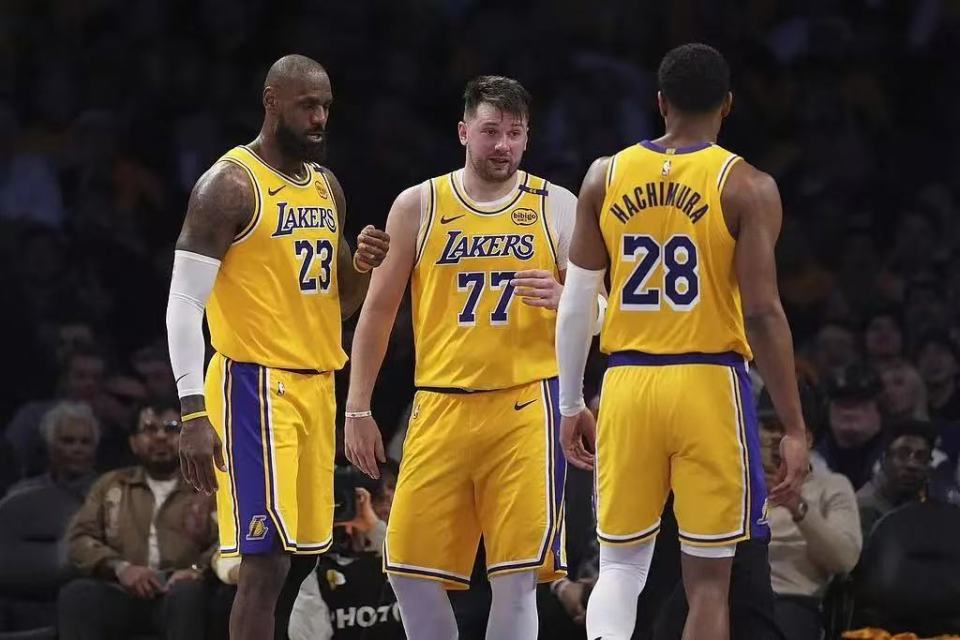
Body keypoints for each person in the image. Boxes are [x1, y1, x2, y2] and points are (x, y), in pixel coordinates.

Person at [555, 43, 808, 640]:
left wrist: (570, 402)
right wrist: (795, 427)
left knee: (619, 569)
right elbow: (763, 313)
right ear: (728, 105)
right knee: (709, 586)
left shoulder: (603, 175)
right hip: (708, 382)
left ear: (660, 102)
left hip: (627, 382)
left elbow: (576, 302)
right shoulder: (747, 185)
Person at [344, 75, 583, 640]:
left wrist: (570, 300)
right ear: (463, 132)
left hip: (526, 405)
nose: (503, 145)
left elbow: (599, 308)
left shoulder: (557, 204)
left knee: (516, 576)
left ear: (527, 138)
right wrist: (357, 407)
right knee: (406, 568)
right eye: (491, 131)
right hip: (440, 404)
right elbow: (377, 312)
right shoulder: (419, 204)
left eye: (515, 133)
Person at [166, 54, 390, 640]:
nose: (319, 119)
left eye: (326, 108)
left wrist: (362, 267)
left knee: (304, 558)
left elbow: (338, 304)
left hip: (317, 385)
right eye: (307, 105)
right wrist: (192, 412)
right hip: (254, 386)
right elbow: (183, 303)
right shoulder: (229, 186)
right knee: (263, 564)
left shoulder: (325, 186)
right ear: (271, 101)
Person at [58, 401, 218, 640]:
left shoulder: (207, 486)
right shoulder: (110, 485)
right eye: (150, 429)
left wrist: (197, 570)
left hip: (182, 591)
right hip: (123, 590)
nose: (161, 437)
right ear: (133, 442)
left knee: (188, 594)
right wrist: (120, 568)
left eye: (172, 428)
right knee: (78, 594)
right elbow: (79, 539)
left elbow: (227, 541)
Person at [758, 385, 862, 640]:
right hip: (730, 597)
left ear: (808, 440)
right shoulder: (735, 485)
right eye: (769, 427)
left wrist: (797, 507)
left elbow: (845, 560)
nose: (777, 438)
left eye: (786, 429)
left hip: (791, 601)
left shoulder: (831, 486)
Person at [856, 419, 936, 541]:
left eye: (921, 456)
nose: (912, 464)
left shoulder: (931, 508)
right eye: (903, 454)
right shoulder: (862, 508)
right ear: (884, 459)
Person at [6, 400, 98, 500]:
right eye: (68, 441)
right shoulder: (22, 494)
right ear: (50, 446)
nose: (78, 449)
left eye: (85, 442)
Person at [814, 364, 885, 490]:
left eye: (859, 403)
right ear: (827, 410)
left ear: (880, 409)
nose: (849, 412)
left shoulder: (897, 457)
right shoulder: (811, 460)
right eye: (841, 404)